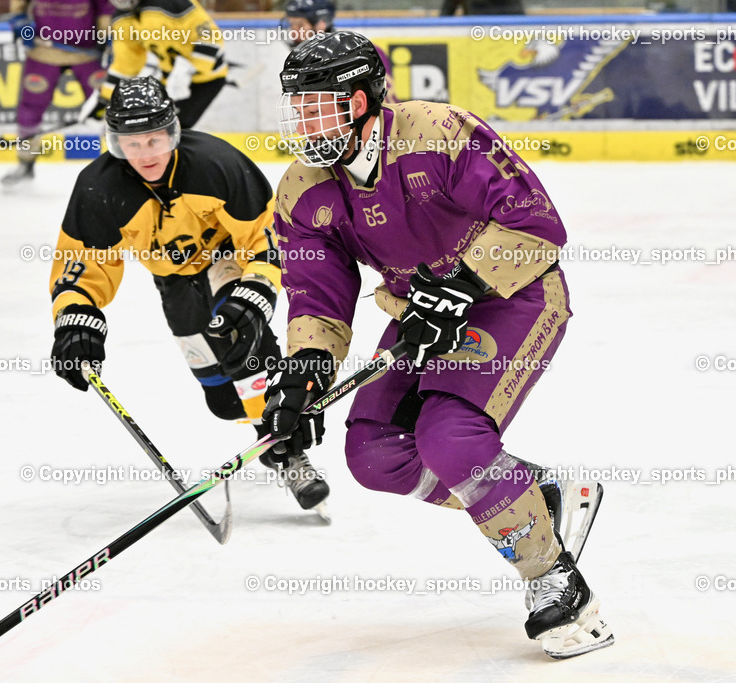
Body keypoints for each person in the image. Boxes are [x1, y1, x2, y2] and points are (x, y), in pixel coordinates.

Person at [262, 31, 614, 658]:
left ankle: (556, 581)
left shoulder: (438, 133)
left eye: (323, 103)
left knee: (451, 437)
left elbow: (534, 222)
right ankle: (537, 495)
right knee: (374, 455)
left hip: (513, 296)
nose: (307, 119)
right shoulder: (302, 190)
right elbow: (317, 298)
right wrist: (302, 377)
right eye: (300, 105)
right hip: (421, 312)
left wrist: (456, 284)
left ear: (366, 99)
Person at [48, 77, 330, 511]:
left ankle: (289, 451)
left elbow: (267, 234)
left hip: (227, 262)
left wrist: (256, 290)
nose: (146, 154)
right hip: (174, 281)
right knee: (221, 400)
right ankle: (261, 422)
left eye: (154, 140)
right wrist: (75, 318)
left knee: (242, 341)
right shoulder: (99, 189)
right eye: (132, 143)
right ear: (115, 142)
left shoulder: (217, 164)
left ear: (172, 133)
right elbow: (83, 265)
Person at [1, 0, 114, 186]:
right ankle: (25, 163)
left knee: (108, 108)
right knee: (30, 108)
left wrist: (108, 37)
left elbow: (105, 10)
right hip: (43, 52)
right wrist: (20, 22)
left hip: (86, 52)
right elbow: (18, 8)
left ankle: (119, 162)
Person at [80, 0, 228, 130]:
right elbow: (126, 65)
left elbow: (210, 38)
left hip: (207, 78)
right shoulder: (121, 19)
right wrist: (105, 98)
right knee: (151, 126)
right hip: (169, 80)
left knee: (177, 127)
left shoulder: (174, 3)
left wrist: (189, 70)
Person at [281, 0, 398, 103]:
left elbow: (381, 105)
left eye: (300, 25)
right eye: (291, 24)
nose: (293, 31)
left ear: (321, 24)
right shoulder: (299, 63)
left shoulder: (362, 55)